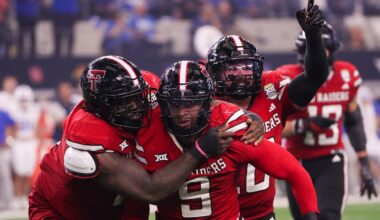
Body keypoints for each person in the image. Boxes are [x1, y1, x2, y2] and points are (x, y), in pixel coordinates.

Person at [28, 55, 231, 219]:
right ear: (102, 107)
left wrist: (240, 114)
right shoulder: (90, 138)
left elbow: (188, 97)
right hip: (64, 208)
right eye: (125, 103)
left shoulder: (148, 87)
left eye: (137, 97)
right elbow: (150, 190)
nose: (136, 107)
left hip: (121, 203)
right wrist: (200, 149)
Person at [123, 60, 319, 220]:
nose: (182, 112)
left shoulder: (229, 127)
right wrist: (201, 150)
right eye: (175, 103)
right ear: (163, 105)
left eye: (191, 103)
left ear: (209, 103)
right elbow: (139, 198)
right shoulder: (148, 132)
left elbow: (294, 171)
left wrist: (310, 215)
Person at [205, 2, 328, 219]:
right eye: (233, 68)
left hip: (261, 212)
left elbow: (314, 77)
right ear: (215, 73)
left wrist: (313, 37)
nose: (242, 73)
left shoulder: (272, 89)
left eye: (247, 66)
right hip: (219, 213)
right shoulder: (205, 103)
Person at [278, 23, 378, 220]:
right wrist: (305, 125)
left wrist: (364, 162)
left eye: (320, 49)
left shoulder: (346, 74)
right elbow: (272, 126)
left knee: (328, 216)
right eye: (310, 49)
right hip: (296, 161)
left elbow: (353, 119)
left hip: (330, 158)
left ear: (332, 50)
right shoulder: (286, 76)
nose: (316, 56)